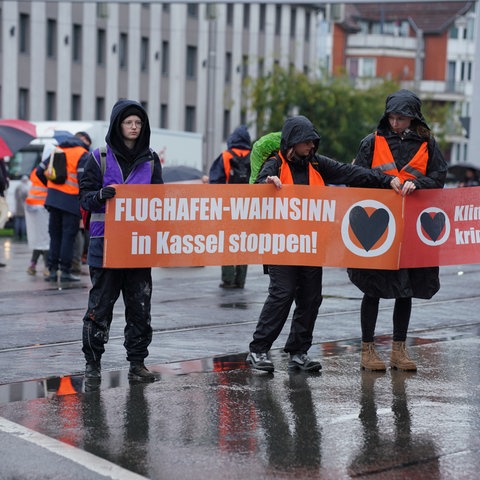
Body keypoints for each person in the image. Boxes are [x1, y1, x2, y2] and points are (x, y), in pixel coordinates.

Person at [246, 115, 400, 373]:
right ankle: (258, 350)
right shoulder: (275, 163)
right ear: (292, 143)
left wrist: (386, 180)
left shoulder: (316, 163)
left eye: (313, 142)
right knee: (281, 295)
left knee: (311, 298)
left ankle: (298, 352)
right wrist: (266, 183)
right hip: (281, 246)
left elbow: (350, 172)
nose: (311, 147)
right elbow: (260, 184)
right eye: (306, 143)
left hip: (310, 245)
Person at [348, 89, 447, 372]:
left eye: (401, 118)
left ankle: (398, 351)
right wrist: (384, 181)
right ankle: (367, 351)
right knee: (372, 288)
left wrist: (419, 184)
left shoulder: (428, 144)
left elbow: (439, 177)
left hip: (411, 230)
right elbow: (357, 177)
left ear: (413, 117)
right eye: (391, 118)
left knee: (406, 288)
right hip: (376, 230)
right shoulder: (371, 142)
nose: (395, 123)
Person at [79, 99, 163, 382]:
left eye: (139, 123)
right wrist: (99, 196)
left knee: (140, 309)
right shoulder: (98, 158)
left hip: (138, 248)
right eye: (129, 122)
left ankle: (137, 364)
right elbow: (84, 198)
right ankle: (93, 365)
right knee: (100, 308)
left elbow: (160, 201)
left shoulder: (152, 161)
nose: (134, 127)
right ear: (118, 125)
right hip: (104, 248)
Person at [36, 132, 91, 282]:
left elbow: (40, 171)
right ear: (85, 142)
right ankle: (65, 272)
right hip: (71, 202)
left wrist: (51, 188)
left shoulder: (58, 150)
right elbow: (83, 180)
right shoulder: (83, 154)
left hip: (53, 201)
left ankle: (52, 271)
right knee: (68, 238)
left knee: (55, 236)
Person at [209, 125, 252, 289]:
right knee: (244, 242)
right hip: (248, 208)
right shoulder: (253, 156)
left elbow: (216, 181)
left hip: (228, 207)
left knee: (227, 241)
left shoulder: (225, 156)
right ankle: (240, 280)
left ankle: (227, 279)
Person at [25, 168, 49, 276]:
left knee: (38, 238)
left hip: (32, 205)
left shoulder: (36, 170)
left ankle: (33, 265)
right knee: (45, 239)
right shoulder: (49, 170)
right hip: (43, 206)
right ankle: (47, 267)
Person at [13, 174, 29, 240]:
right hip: (24, 207)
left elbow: (16, 197)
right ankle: (23, 235)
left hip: (18, 206)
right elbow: (27, 197)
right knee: (23, 222)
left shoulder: (18, 187)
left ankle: (16, 235)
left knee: (18, 221)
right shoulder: (26, 188)